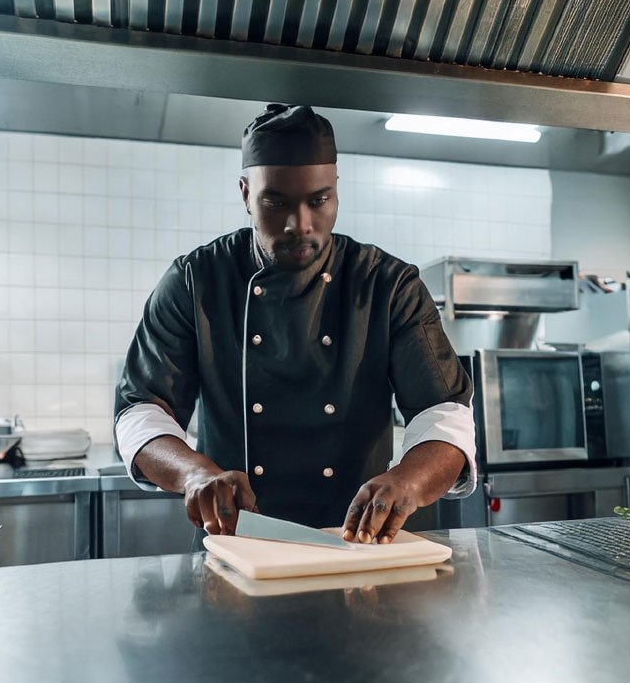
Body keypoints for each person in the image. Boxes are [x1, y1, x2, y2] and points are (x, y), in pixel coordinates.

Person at [114, 104, 475, 544]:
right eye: (276, 202)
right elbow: (141, 411)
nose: (298, 225)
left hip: (357, 541)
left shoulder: (387, 284)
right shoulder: (196, 280)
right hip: (240, 543)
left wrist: (408, 481)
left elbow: (445, 414)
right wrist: (193, 473)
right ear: (246, 193)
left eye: (318, 201)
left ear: (336, 190)